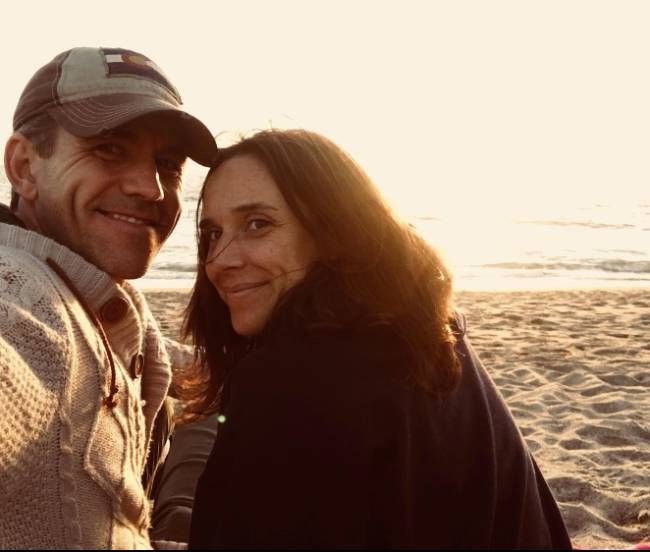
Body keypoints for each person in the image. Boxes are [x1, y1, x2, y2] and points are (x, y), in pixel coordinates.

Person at [180, 129, 572, 549]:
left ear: (332, 231)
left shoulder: (285, 380)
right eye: (213, 234)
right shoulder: (434, 332)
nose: (220, 261)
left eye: (258, 224)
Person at [0, 46, 217, 549]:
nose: (153, 189)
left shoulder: (90, 292)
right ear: (24, 166)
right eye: (109, 149)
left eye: (167, 163)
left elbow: (157, 353)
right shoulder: (23, 295)